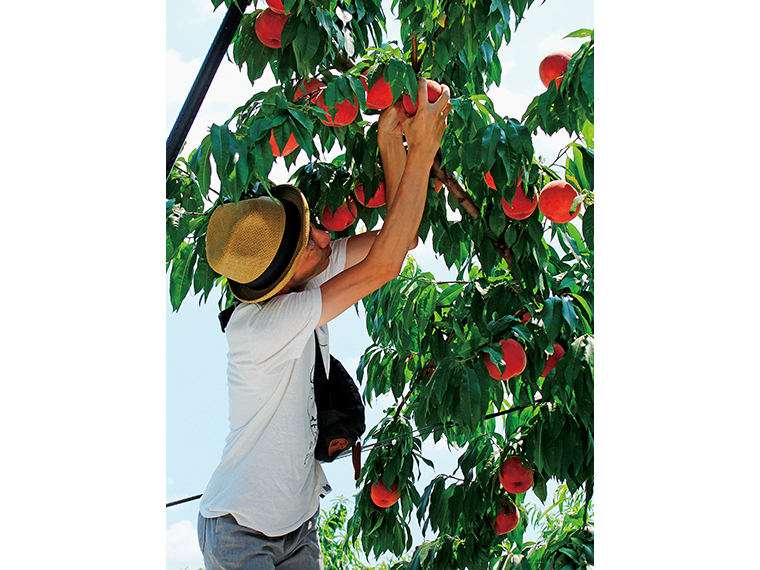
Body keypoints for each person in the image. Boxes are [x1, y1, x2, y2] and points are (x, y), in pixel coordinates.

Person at [196, 77, 452, 570]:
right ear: (282, 275)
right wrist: (421, 152)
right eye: (307, 241)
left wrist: (391, 144)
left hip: (299, 527)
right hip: (239, 533)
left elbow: (398, 244)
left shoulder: (304, 279)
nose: (322, 235)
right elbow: (383, 265)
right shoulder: (259, 329)